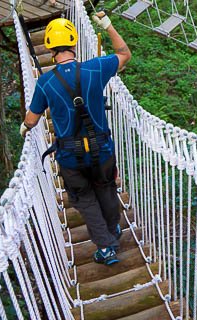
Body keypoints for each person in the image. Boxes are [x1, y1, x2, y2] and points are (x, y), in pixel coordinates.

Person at [20, 12, 131, 265]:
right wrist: (108, 26)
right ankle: (112, 231)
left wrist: (24, 129)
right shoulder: (96, 68)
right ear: (74, 43)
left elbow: (32, 119)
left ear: (49, 47)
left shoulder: (45, 83)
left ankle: (106, 248)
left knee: (85, 199)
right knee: (106, 188)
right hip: (101, 151)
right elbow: (124, 54)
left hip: (70, 158)